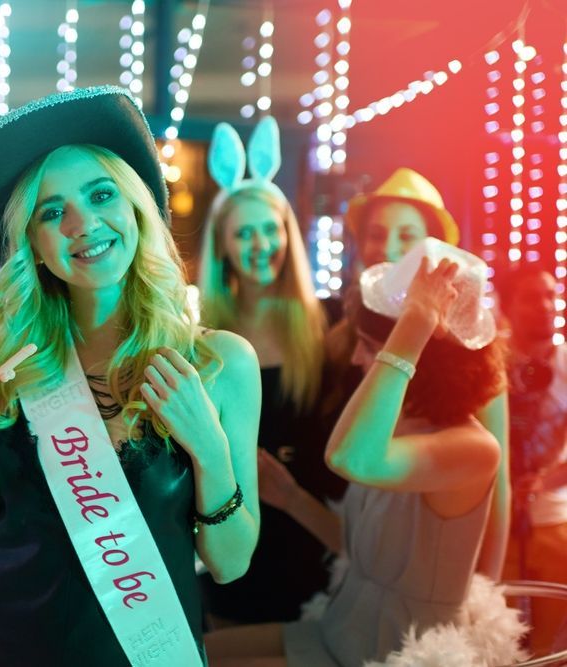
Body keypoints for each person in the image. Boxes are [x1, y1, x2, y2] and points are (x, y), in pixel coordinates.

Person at [0, 85, 261, 665]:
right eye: (53, 212)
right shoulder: (9, 355)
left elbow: (232, 564)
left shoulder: (218, 364)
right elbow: (0, 534)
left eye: (101, 194)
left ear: (136, 207)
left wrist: (209, 448)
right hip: (2, 640)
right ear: (33, 244)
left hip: (138, 650)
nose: (83, 224)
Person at [206, 239, 526, 666]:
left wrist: (417, 319)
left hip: (393, 653)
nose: (357, 358)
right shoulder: (401, 423)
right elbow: (362, 551)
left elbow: (349, 458)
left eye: (370, 346)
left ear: (419, 353)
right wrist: (291, 498)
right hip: (337, 631)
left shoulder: (472, 449)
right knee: (186, 654)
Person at [324, 168, 511, 580]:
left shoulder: (464, 346)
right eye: (376, 233)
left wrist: (486, 591)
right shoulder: (343, 334)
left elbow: (495, 478)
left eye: (407, 236)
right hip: (361, 542)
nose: (387, 247)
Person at [196, 118, 345, 626]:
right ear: (222, 246)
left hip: (312, 544)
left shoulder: (330, 325)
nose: (261, 245)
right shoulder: (204, 335)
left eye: (269, 229)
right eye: (244, 234)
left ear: (288, 232)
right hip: (228, 539)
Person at [497, 264, 567, 654]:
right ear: (506, 306)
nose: (545, 305)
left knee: (553, 647)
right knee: (500, 643)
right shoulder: (487, 363)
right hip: (500, 524)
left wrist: (543, 480)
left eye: (551, 295)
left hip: (556, 522)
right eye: (531, 297)